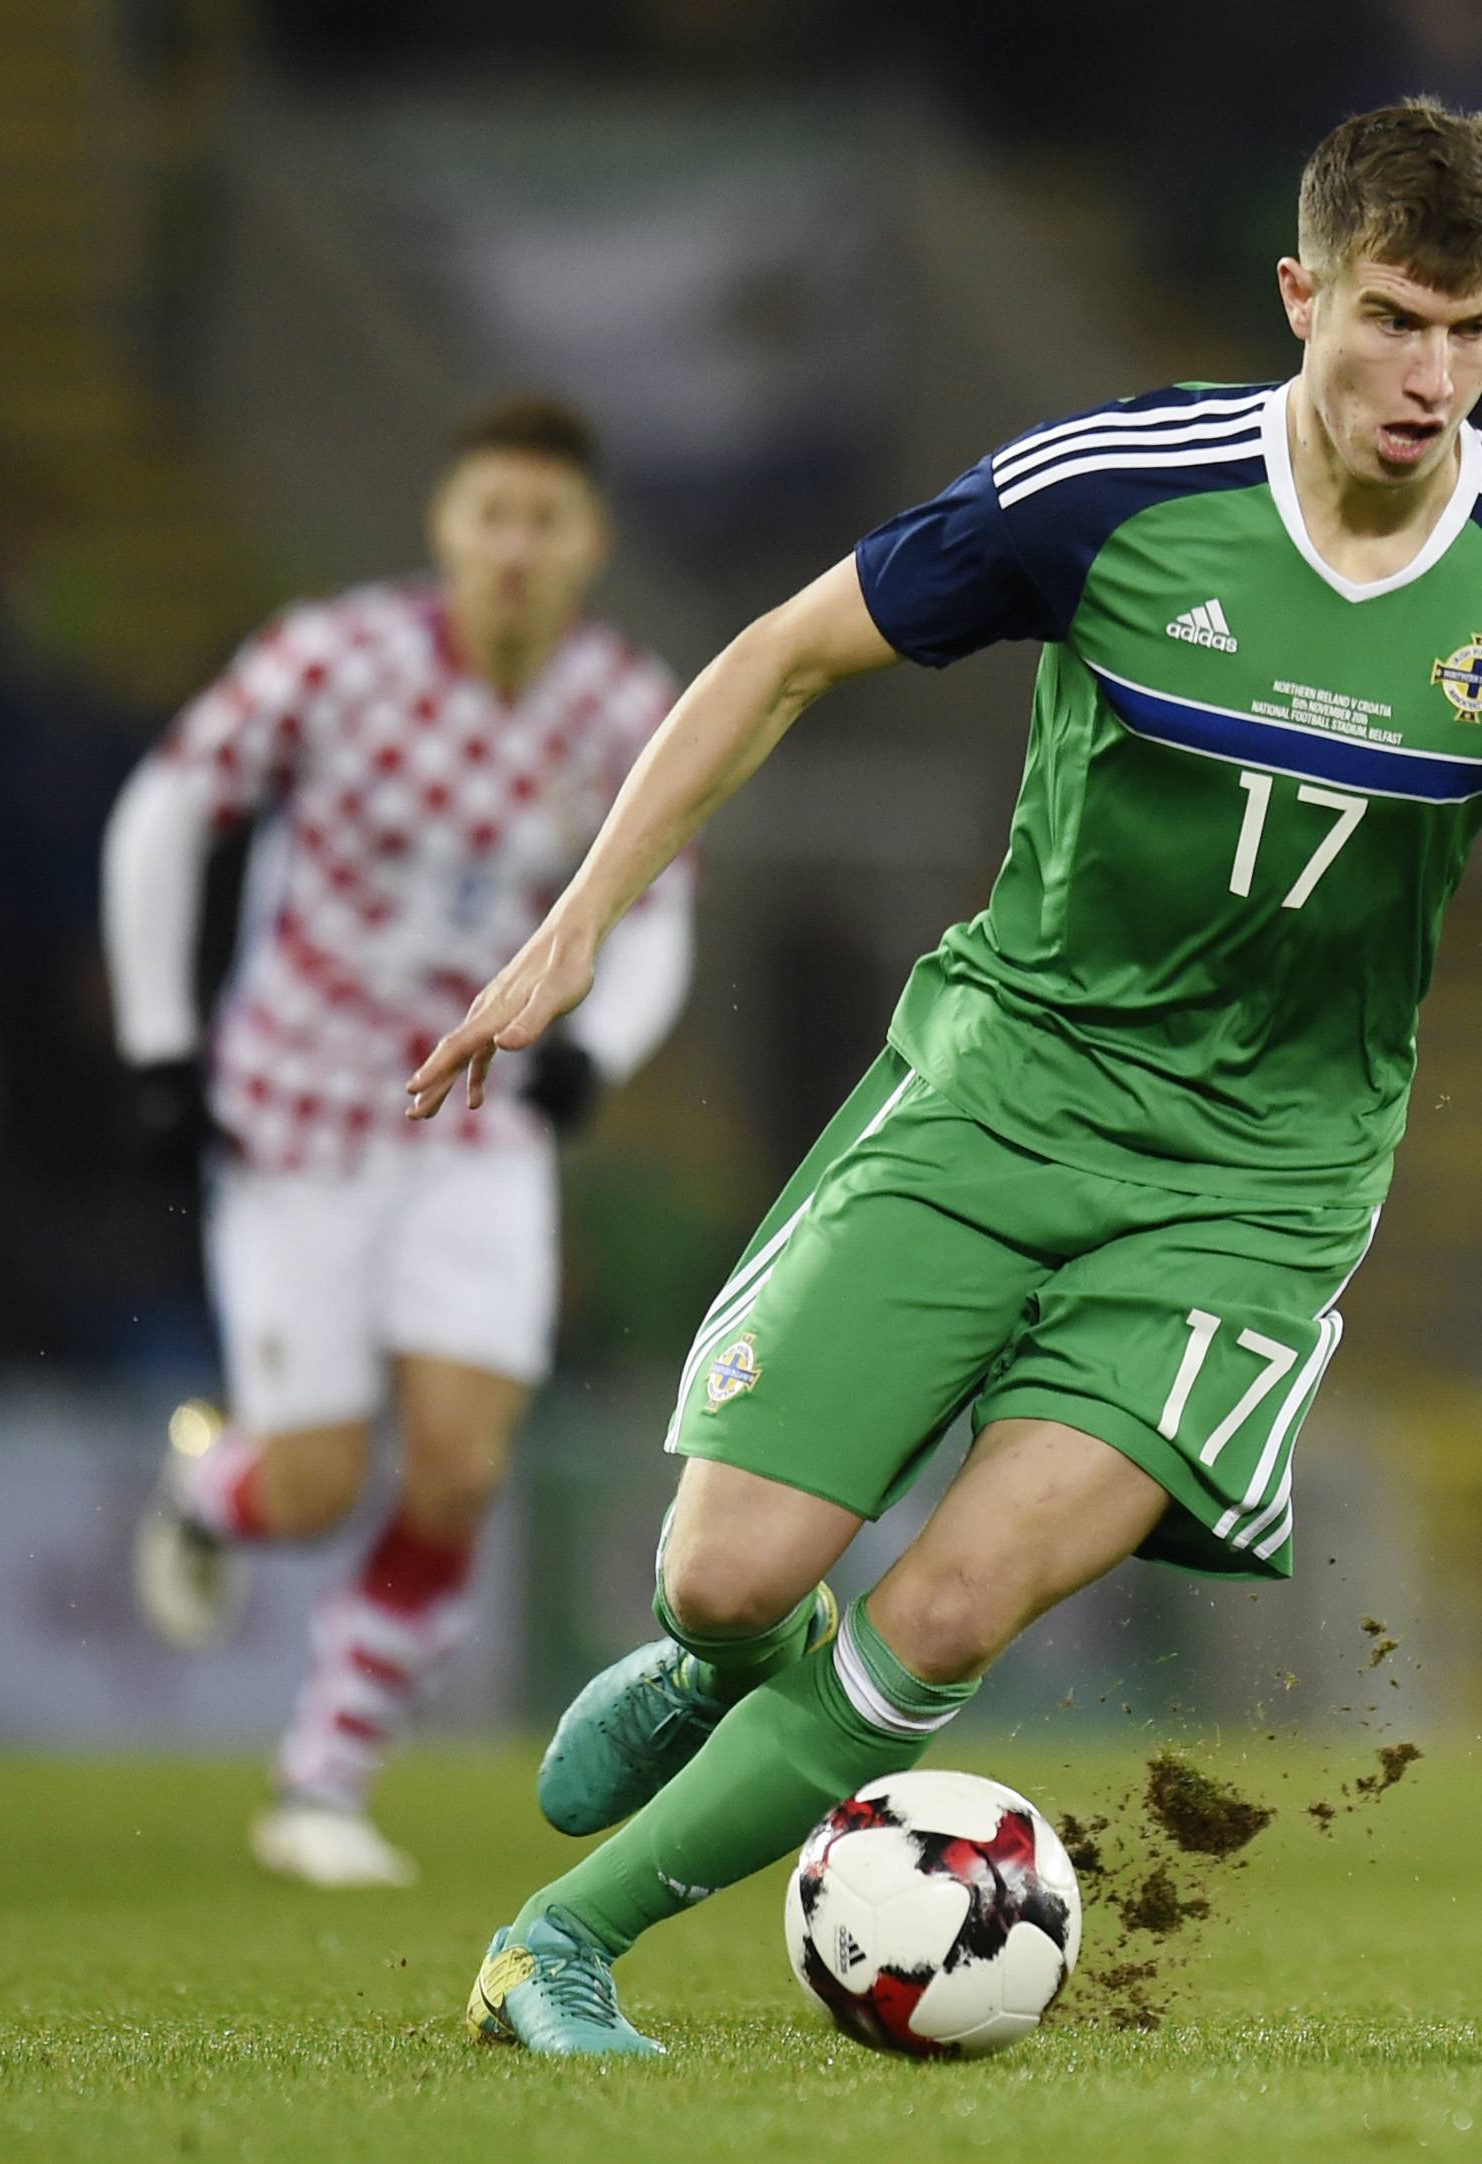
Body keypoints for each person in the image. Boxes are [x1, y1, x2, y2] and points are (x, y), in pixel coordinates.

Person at [407, 98, 1482, 2053]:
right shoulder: (1122, 492)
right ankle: (726, 1648)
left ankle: (553, 1940)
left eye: (1478, 335)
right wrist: (574, 922)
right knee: (735, 1564)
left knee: (965, 1599)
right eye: (1400, 319)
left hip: (1260, 1182)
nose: (1436, 376)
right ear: (1300, 294)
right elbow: (780, 654)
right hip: (1013, 1086)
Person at [101, 397, 694, 1889]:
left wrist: (593, 1055)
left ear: (589, 545)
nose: (512, 548)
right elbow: (168, 814)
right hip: (298, 1116)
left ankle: (322, 1785)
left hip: (474, 1133)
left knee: (454, 1469)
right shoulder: (331, 659)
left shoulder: (626, 709)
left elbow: (663, 915)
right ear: (444, 528)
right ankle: (206, 1490)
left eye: (543, 521)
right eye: (489, 514)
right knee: (308, 1489)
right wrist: (162, 1042)